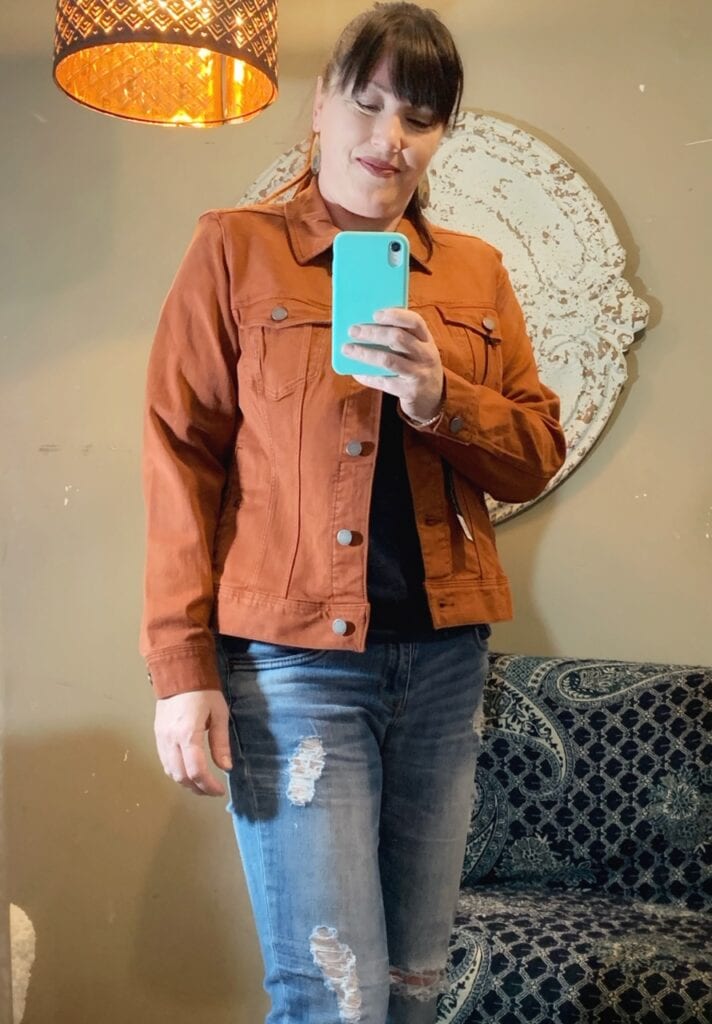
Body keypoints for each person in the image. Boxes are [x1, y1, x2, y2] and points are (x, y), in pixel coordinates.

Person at [140, 4, 566, 1022]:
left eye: (419, 117)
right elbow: (180, 457)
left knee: (414, 987)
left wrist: (439, 397)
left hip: (444, 665)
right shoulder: (234, 249)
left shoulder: (475, 272)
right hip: (292, 669)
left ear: (441, 134)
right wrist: (182, 668)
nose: (390, 137)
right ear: (321, 108)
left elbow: (534, 456)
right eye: (368, 104)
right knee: (331, 997)